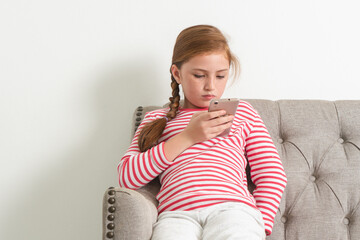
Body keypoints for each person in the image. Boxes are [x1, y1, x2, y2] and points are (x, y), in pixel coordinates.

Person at [118, 24, 287, 240]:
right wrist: (188, 137)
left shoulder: (242, 112)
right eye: (199, 75)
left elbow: (272, 174)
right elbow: (127, 178)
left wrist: (259, 223)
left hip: (233, 210)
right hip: (176, 217)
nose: (210, 86)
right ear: (177, 74)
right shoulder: (156, 120)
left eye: (220, 76)